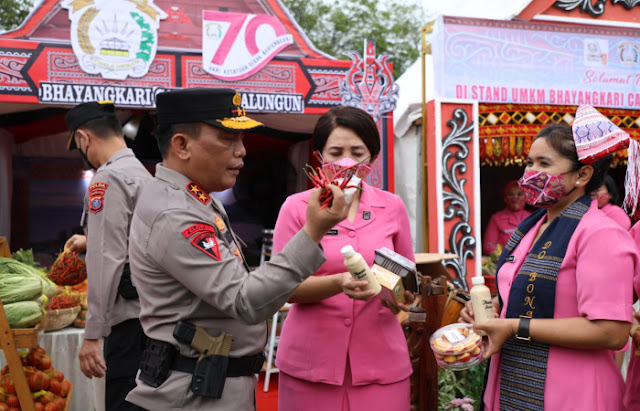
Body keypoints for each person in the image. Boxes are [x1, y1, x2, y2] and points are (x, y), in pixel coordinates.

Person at [124, 88, 352, 410]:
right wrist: (313, 231)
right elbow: (246, 300)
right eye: (227, 139)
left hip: (208, 385)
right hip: (192, 396)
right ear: (182, 145)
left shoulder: (195, 199)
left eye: (241, 139)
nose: (242, 151)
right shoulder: (175, 214)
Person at [460, 119, 638, 410]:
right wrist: (493, 307)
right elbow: (530, 292)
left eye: (544, 164)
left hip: (574, 392)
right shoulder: (533, 227)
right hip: (513, 383)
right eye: (529, 162)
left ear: (582, 175)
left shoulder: (601, 234)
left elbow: (612, 332)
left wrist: (513, 325)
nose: (531, 173)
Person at [272, 106, 414, 411]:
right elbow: (282, 287)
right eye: (335, 152)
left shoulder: (392, 207)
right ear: (320, 157)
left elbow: (406, 276)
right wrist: (339, 283)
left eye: (357, 151)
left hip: (381, 362)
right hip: (310, 365)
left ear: (373, 157)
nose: (346, 161)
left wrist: (400, 295)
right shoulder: (296, 208)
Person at [63, 101, 152, 411]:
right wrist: (91, 239)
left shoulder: (107, 179)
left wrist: (93, 334)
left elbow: (106, 260)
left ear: (84, 138)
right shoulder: (141, 173)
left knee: (124, 402)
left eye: (79, 145)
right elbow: (136, 236)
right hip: (151, 315)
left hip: (127, 322)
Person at [483, 181, 532, 255]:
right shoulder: (496, 218)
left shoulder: (533, 217)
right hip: (505, 262)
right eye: (511, 194)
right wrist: (508, 258)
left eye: (519, 194)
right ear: (505, 199)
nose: (515, 197)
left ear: (526, 198)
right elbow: (489, 246)